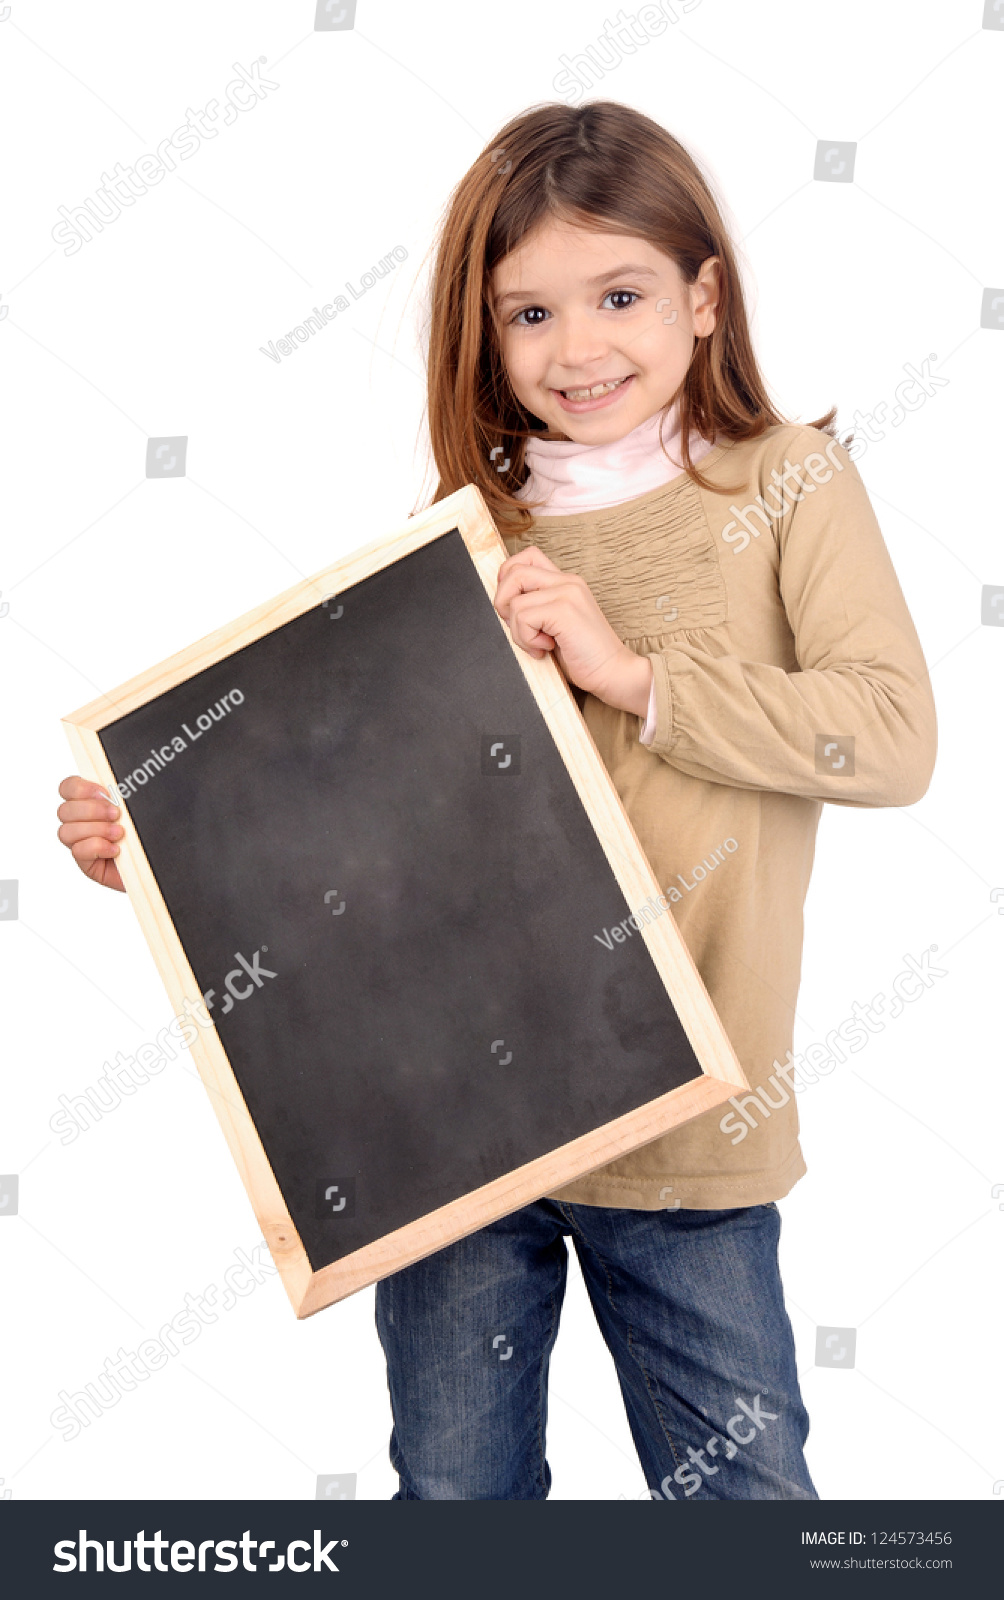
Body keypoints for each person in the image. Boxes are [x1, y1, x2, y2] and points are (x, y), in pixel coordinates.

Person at [56, 100, 937, 1501]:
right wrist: (165, 839)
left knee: (747, 1504)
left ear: (705, 298)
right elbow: (375, 842)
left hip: (692, 1133)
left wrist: (635, 672)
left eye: (622, 294)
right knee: (458, 1503)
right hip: (456, 1140)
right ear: (483, 335)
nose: (577, 348)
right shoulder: (467, 537)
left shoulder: (787, 486)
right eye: (528, 313)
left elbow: (891, 739)